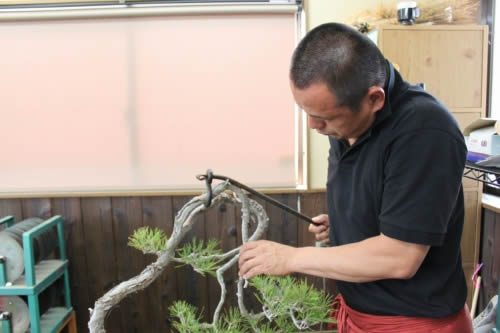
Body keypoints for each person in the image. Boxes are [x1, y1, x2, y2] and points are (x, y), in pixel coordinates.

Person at [238, 23, 473, 332]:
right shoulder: (346, 121)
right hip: (357, 312)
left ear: (374, 99)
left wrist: (292, 259)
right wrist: (347, 224)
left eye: (323, 117)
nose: (313, 126)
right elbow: (389, 201)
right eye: (305, 111)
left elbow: (400, 257)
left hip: (414, 323)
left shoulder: (425, 132)